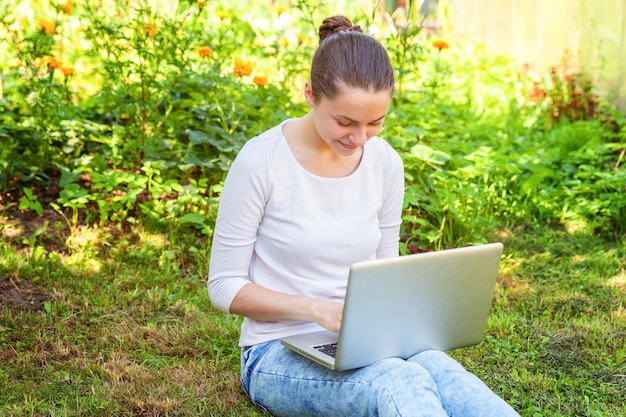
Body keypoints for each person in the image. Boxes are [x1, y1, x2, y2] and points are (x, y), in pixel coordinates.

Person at [208, 15, 519, 417]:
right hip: (276, 351)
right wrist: (316, 309)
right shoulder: (261, 161)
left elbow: (385, 270)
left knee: (445, 374)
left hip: (374, 342)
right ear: (310, 94)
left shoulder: (385, 162)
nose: (359, 139)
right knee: (397, 382)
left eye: (375, 122)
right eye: (345, 122)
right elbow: (224, 286)